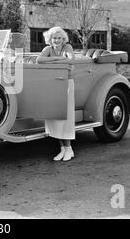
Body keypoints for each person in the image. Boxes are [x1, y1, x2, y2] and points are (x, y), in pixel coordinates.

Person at [36, 26, 75, 162]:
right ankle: (62, 149)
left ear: (63, 39)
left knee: (66, 116)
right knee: (55, 117)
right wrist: (59, 60)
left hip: (66, 83)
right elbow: (39, 60)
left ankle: (69, 148)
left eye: (59, 38)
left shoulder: (67, 47)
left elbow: (70, 60)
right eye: (54, 38)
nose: (57, 40)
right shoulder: (48, 49)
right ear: (50, 39)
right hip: (52, 84)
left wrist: (54, 60)